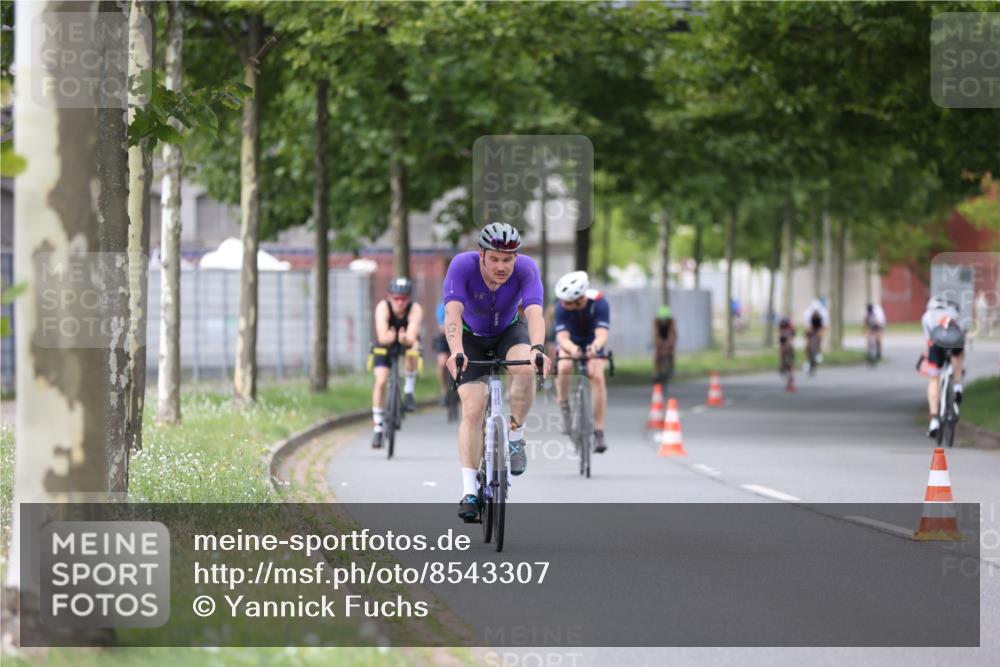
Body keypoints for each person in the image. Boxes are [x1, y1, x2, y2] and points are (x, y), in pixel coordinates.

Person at [442, 222, 551, 521]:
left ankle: (516, 434)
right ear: (481, 256)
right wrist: (456, 351)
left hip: (507, 332)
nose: (502, 266)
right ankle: (469, 492)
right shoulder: (462, 266)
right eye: (495, 259)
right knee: (474, 409)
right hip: (469, 339)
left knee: (526, 369)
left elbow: (534, 312)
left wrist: (538, 348)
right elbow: (452, 311)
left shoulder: (527, 269)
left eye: (508, 259)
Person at [553, 271, 611, 453]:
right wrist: (573, 350)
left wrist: (594, 348)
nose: (564, 304)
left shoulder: (600, 302)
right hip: (571, 342)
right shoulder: (561, 307)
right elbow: (562, 337)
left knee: (597, 377)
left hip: (593, 341)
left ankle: (599, 430)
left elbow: (602, 334)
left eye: (568, 302)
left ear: (580, 299)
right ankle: (564, 406)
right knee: (564, 366)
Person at [370, 277, 423, 449]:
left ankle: (408, 391)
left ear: (408, 298)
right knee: (381, 381)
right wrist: (390, 338)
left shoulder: (415, 309)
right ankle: (378, 427)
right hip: (385, 344)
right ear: (390, 297)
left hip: (405, 341)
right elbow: (382, 336)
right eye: (396, 298)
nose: (400, 302)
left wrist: (405, 339)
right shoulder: (382, 307)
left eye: (403, 298)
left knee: (414, 348)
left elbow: (413, 335)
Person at [921, 296, 965, 439]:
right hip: (955, 343)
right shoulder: (955, 314)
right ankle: (958, 385)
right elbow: (961, 337)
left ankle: (934, 420)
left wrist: (926, 357)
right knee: (958, 354)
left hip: (937, 345)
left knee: (934, 379)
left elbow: (928, 341)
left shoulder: (927, 316)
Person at [653, 305, 677, 386]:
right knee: (658, 353)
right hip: (660, 335)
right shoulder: (655, 321)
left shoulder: (672, 321)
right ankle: (657, 371)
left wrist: (670, 343)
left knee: (670, 351)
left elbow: (672, 333)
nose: (664, 322)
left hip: (668, 335)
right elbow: (655, 333)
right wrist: (658, 342)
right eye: (662, 319)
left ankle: (671, 367)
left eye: (665, 320)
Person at [803, 297, 830, 369]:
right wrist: (809, 334)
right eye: (814, 312)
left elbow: (825, 327)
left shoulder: (824, 313)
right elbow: (807, 328)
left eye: (817, 312)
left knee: (819, 338)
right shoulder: (807, 313)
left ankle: (818, 352)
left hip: (819, 327)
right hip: (811, 327)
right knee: (807, 343)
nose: (815, 313)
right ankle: (808, 359)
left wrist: (821, 333)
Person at [435, 300, 450, 404]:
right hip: (445, 336)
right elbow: (441, 328)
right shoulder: (442, 307)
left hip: (463, 336)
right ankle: (444, 390)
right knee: (442, 363)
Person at [778, 316, 796, 389]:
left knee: (790, 362)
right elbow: (781, 341)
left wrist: (789, 345)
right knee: (782, 352)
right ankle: (782, 365)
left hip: (789, 346)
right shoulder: (782, 330)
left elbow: (792, 339)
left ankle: (791, 379)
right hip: (784, 341)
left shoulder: (791, 329)